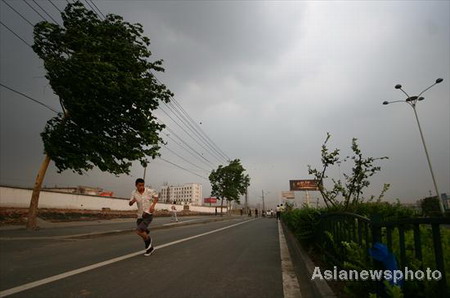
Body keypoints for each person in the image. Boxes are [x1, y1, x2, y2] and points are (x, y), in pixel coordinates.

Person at [129, 178, 158, 257]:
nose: (141, 187)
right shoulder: (134, 193)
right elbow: (130, 203)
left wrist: (153, 206)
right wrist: (132, 201)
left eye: (142, 185)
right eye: (139, 185)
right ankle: (149, 242)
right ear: (136, 185)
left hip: (148, 214)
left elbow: (156, 197)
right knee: (143, 233)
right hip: (140, 215)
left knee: (139, 231)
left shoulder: (149, 191)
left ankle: (149, 247)